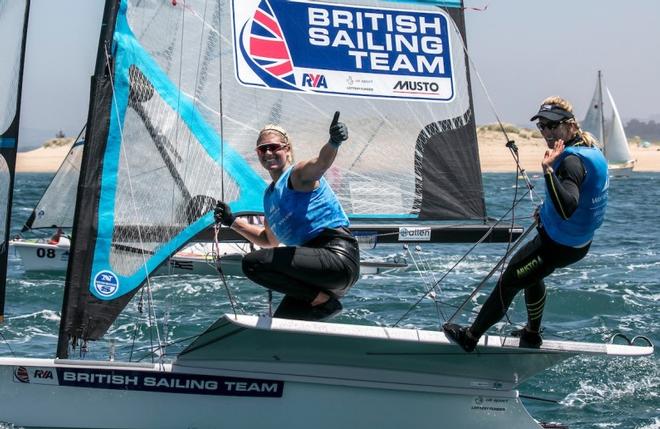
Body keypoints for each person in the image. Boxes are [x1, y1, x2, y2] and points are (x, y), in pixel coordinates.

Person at [443, 96, 609, 351]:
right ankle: (531, 334)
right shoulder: (591, 150)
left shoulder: (571, 161)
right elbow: (579, 201)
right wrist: (545, 210)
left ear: (570, 125)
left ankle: (470, 338)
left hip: (557, 246)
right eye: (542, 125)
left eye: (552, 126)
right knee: (532, 276)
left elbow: (568, 207)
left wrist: (547, 170)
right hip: (576, 243)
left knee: (508, 281)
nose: (546, 132)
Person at [214, 112, 360, 321]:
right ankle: (316, 314)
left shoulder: (297, 174)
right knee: (281, 326)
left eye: (274, 147)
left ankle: (324, 302)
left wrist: (334, 142)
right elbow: (268, 240)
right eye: (263, 149)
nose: (268, 153)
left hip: (337, 258)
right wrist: (231, 222)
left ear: (287, 149)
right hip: (316, 274)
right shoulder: (269, 196)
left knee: (252, 263)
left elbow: (321, 163)